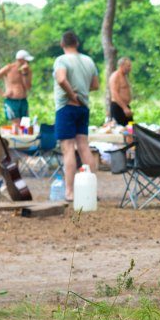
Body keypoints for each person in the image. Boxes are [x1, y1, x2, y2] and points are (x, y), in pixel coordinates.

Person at [53, 30, 99, 202]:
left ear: (62, 44)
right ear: (77, 43)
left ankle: (70, 192)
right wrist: (82, 90)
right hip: (83, 108)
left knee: (68, 149)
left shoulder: (61, 60)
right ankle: (91, 190)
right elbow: (95, 84)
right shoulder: (88, 60)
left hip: (67, 107)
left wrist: (72, 95)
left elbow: (61, 79)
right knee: (84, 147)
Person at [0, 50, 34, 134]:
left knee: (25, 124)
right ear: (20, 60)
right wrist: (2, 93)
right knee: (16, 123)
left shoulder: (28, 70)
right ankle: (16, 143)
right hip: (11, 101)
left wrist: (24, 73)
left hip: (23, 100)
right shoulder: (9, 68)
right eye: (26, 60)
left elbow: (28, 87)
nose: (28, 62)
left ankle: (24, 139)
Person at [108, 57, 133, 127]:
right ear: (122, 66)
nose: (130, 68)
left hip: (126, 107)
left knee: (130, 129)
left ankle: (129, 138)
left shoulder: (125, 76)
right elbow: (114, 93)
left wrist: (126, 107)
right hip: (118, 107)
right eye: (128, 66)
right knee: (120, 130)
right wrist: (124, 108)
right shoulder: (115, 76)